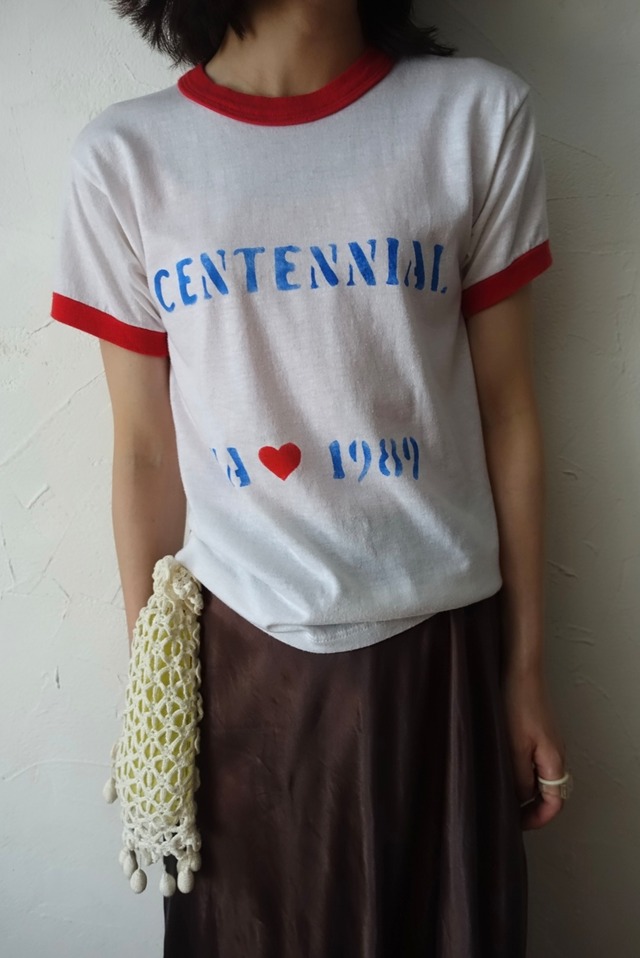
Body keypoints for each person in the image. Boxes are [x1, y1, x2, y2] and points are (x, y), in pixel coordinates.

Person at [50, 0, 570, 955]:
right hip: (239, 670)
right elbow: (145, 451)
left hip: (440, 661)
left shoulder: (476, 117)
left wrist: (524, 671)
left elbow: (508, 412)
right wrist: (155, 696)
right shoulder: (127, 158)